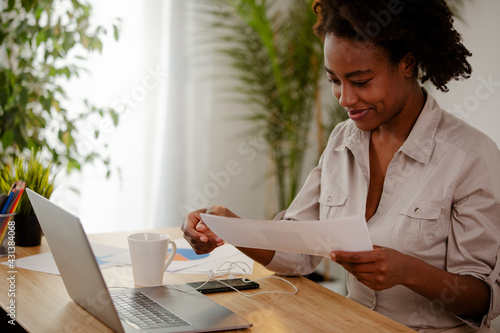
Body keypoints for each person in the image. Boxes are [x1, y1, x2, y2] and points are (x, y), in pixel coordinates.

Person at [182, 0, 500, 331]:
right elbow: (298, 253)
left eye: (360, 81)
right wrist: (228, 226)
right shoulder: (342, 140)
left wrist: (408, 271)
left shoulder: (470, 156)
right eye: (335, 80)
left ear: (407, 63)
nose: (345, 98)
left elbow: (482, 300)